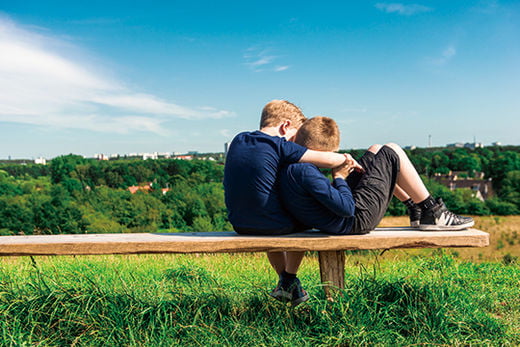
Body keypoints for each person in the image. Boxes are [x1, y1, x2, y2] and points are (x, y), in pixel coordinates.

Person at [223, 101, 359, 306]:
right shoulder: (279, 144)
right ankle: (288, 279)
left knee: (268, 210)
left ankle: (287, 283)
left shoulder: (239, 139)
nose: (295, 144)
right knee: (303, 211)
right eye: (295, 137)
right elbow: (328, 160)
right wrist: (347, 159)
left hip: (239, 223)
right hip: (273, 226)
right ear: (285, 126)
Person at [279, 116, 475, 239]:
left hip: (342, 217)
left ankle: (415, 208)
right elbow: (346, 208)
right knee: (392, 151)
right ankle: (433, 211)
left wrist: (347, 173)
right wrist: (339, 177)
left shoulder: (296, 168)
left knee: (376, 150)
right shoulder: (306, 173)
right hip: (355, 220)